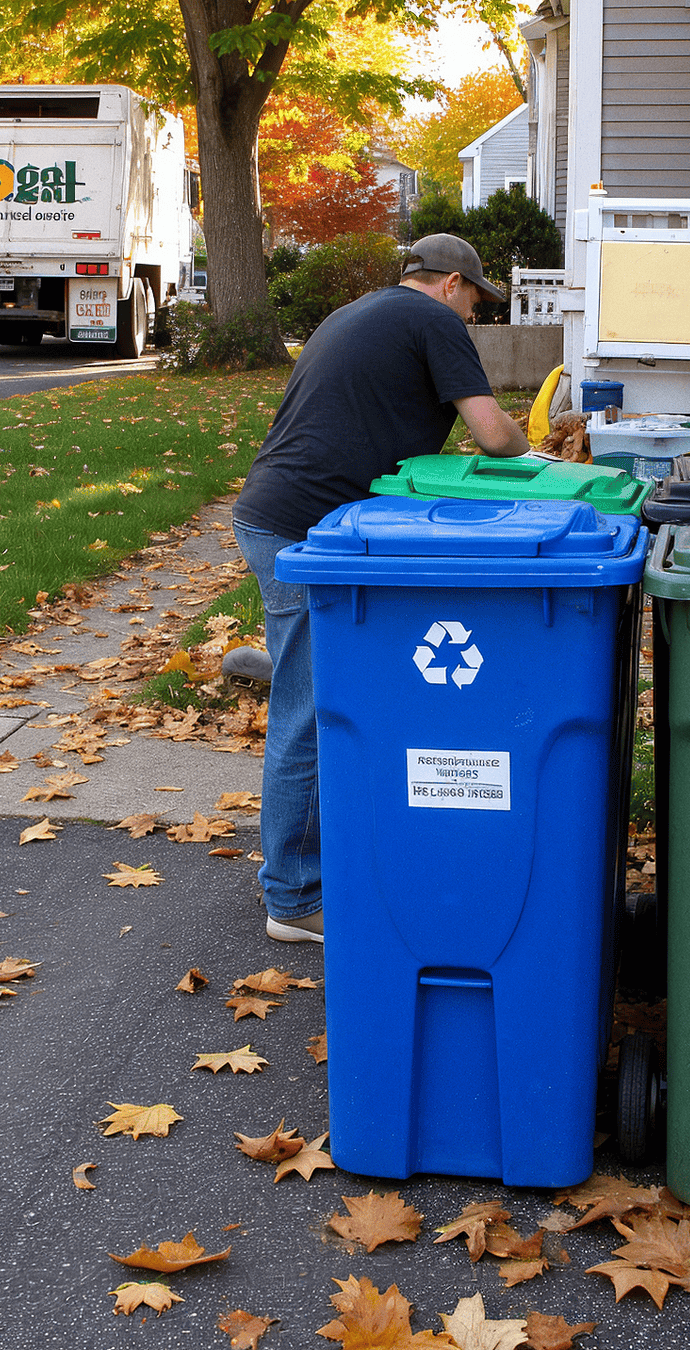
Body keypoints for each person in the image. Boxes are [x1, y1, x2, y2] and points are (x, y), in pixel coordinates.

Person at [233, 233, 529, 944]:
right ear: (453, 283)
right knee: (310, 709)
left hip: (278, 513)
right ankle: (294, 899)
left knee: (326, 693)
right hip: (304, 533)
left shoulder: (360, 312)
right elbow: (493, 436)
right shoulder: (433, 320)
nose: (474, 316)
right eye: (475, 303)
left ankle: (316, 866)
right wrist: (537, 441)